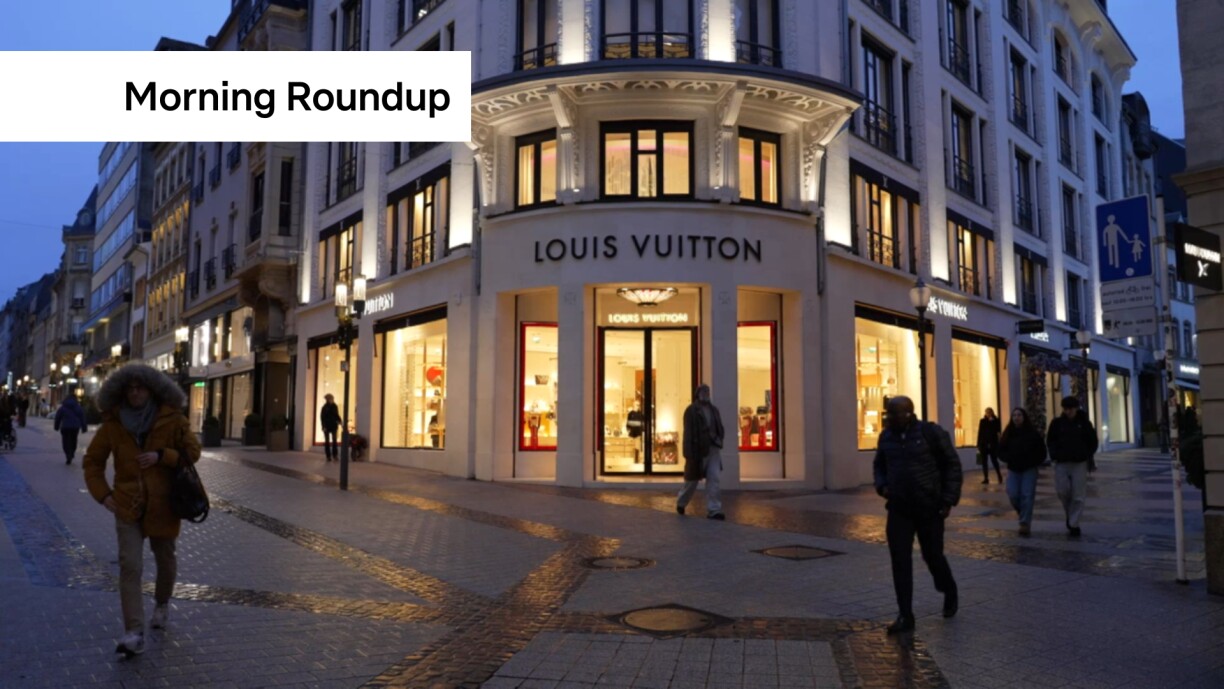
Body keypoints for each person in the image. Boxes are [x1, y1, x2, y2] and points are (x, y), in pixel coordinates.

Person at [82, 363, 199, 658]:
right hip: (127, 505)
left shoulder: (171, 419)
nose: (135, 393)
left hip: (164, 504)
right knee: (130, 565)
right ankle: (134, 632)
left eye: (140, 388)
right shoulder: (113, 424)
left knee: (165, 560)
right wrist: (103, 495)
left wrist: (163, 456)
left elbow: (192, 452)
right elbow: (92, 462)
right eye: (130, 388)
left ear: (151, 390)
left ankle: (162, 603)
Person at [873, 396, 962, 634]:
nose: (889, 418)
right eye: (888, 413)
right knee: (900, 560)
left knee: (932, 555)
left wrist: (947, 499)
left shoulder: (931, 433)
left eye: (893, 414)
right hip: (899, 508)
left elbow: (952, 465)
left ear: (908, 414)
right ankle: (905, 614)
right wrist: (882, 486)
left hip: (928, 506)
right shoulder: (886, 437)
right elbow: (879, 465)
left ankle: (948, 588)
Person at [1046, 396, 1098, 537]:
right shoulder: (1057, 423)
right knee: (1062, 491)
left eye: (1070, 409)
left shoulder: (1084, 423)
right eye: (1065, 409)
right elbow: (1050, 440)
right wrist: (1054, 455)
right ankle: (1070, 515)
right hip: (1062, 462)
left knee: (1078, 495)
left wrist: (1086, 454)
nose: (1068, 411)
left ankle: (1074, 523)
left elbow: (1093, 441)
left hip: (1079, 463)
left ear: (1076, 408)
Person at [676, 383, 726, 520]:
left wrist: (719, 439)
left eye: (707, 391)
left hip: (714, 449)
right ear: (698, 394)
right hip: (698, 450)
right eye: (703, 391)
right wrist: (688, 453)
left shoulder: (714, 410)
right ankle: (681, 502)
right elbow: (688, 433)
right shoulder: (691, 411)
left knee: (714, 478)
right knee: (692, 481)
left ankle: (714, 509)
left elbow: (720, 427)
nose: (706, 394)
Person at [998, 408, 1046, 536]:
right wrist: (1008, 458)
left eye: (1019, 415)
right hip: (1013, 468)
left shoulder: (1032, 433)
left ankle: (1025, 523)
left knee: (1027, 495)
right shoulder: (1008, 433)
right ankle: (1023, 512)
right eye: (1014, 415)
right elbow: (1001, 450)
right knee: (1013, 494)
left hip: (1029, 469)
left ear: (1024, 417)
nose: (1016, 417)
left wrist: (1034, 461)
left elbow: (1041, 451)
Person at [54, 394, 88, 465]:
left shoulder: (63, 407)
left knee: (65, 441)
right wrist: (84, 427)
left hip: (65, 426)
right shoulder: (78, 407)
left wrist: (56, 426)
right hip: (75, 427)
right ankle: (72, 452)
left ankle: (67, 454)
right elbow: (82, 417)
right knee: (73, 440)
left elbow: (58, 417)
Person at [976, 408, 1002, 485]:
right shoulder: (982, 421)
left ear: (992, 412)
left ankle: (999, 475)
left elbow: (998, 431)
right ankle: (986, 478)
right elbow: (980, 432)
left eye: (989, 412)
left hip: (992, 444)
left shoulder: (996, 421)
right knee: (984, 462)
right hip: (983, 444)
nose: (988, 414)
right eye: (987, 412)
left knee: (994, 460)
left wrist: (992, 421)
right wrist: (978, 444)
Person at [319, 393, 341, 461]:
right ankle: (328, 456)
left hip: (334, 425)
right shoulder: (324, 407)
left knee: (334, 441)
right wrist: (323, 426)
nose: (332, 400)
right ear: (328, 400)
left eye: (332, 399)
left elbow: (337, 415)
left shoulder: (335, 406)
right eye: (330, 399)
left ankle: (335, 455)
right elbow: (322, 418)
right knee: (327, 441)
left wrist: (340, 421)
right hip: (327, 426)